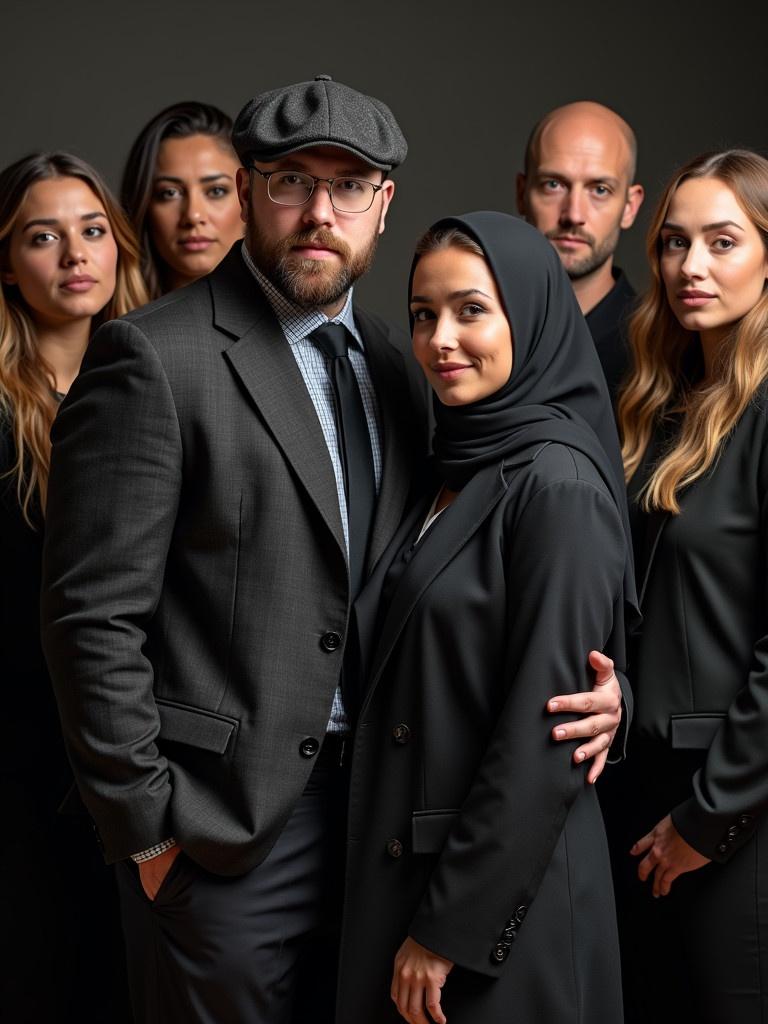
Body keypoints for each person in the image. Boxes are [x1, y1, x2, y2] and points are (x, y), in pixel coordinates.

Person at [40, 78, 626, 1024]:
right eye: (289, 183)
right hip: (222, 838)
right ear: (245, 189)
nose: (320, 212)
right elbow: (89, 617)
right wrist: (149, 835)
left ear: (383, 205)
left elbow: (488, 588)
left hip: (383, 825)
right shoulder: (153, 358)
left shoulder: (404, 364)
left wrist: (610, 690)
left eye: (349, 186)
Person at [338, 211, 639, 1024]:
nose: (441, 338)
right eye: (424, 313)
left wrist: (450, 931)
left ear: (531, 315)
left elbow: (543, 732)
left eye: (472, 309)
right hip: (413, 875)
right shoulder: (453, 464)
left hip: (501, 914)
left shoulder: (557, 484)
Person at [613, 148, 768, 1024]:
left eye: (722, 241)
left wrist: (709, 821)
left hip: (734, 805)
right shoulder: (665, 404)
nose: (691, 267)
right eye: (674, 243)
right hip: (644, 786)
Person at [0, 151, 146, 1021]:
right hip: (17, 744)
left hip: (129, 742)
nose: (73, 256)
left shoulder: (158, 380)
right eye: (41, 237)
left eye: (92, 231)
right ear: (7, 259)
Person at [517, 101, 644, 400]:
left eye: (600, 189)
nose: (573, 214)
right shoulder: (476, 332)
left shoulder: (659, 352)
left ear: (630, 206)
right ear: (521, 193)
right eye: (553, 185)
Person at [121, 101, 244, 298]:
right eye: (170, 193)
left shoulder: (291, 320)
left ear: (246, 196)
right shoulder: (112, 325)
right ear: (144, 205)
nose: (193, 215)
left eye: (216, 191)